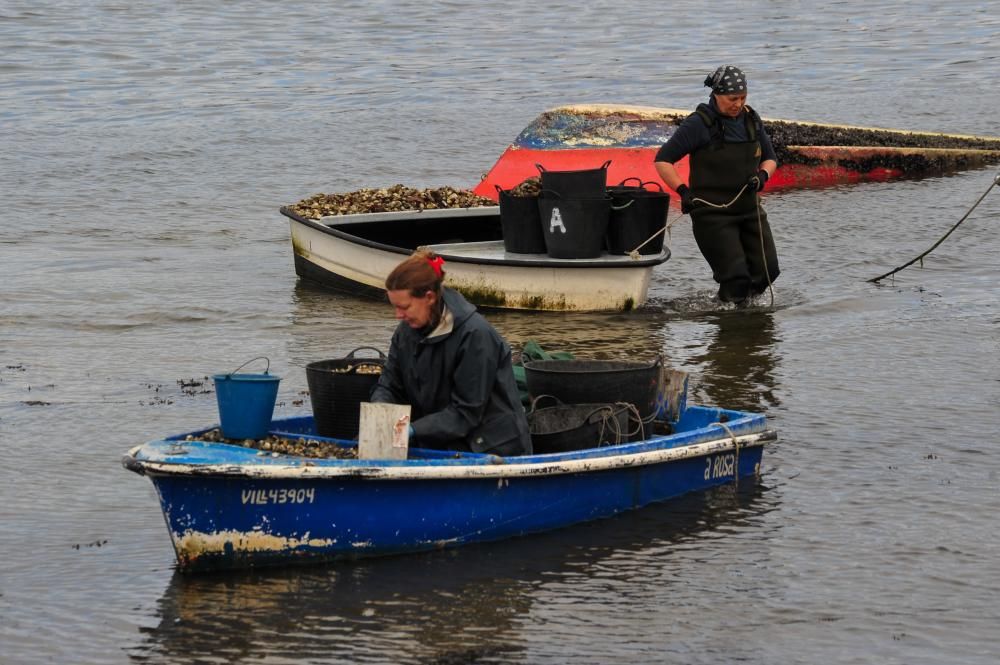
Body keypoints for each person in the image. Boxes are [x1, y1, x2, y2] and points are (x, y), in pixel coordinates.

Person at [369, 249, 533, 456]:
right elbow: (389, 384)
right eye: (395, 307)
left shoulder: (475, 335)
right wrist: (380, 413)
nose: (398, 315)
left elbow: (466, 412)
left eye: (404, 307)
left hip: (490, 448)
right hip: (441, 441)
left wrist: (414, 430)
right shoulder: (405, 334)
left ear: (429, 297)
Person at [654, 64, 781, 304]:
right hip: (712, 215)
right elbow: (663, 160)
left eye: (743, 97)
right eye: (732, 98)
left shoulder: (751, 120)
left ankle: (746, 324)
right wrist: (683, 191)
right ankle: (727, 311)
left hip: (749, 210)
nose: (738, 104)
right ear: (716, 95)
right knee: (735, 278)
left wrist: (762, 176)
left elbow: (771, 158)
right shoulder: (699, 124)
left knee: (768, 271)